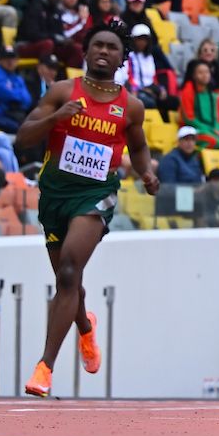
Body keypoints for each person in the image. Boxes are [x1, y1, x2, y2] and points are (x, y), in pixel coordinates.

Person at [13, 27, 153, 396]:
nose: (104, 52)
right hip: (55, 195)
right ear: (86, 52)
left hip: (96, 193)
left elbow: (138, 148)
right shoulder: (62, 91)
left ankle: (44, 367)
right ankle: (85, 328)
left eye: (112, 48)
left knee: (71, 271)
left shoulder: (131, 106)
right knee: (66, 280)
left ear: (122, 58)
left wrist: (148, 173)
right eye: (98, 46)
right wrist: (56, 117)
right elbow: (22, 138)